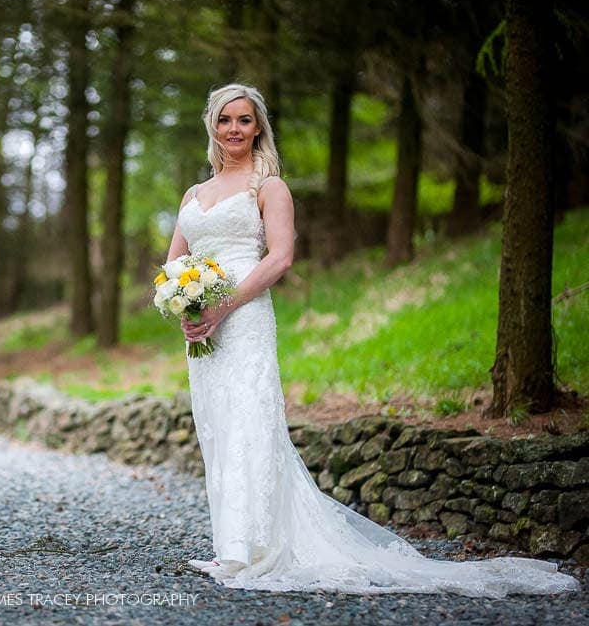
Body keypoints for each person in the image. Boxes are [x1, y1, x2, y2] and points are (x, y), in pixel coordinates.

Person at [165, 82, 580, 596]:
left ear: (259, 128)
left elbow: (280, 257)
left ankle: (256, 547)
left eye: (245, 120)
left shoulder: (267, 186)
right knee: (217, 425)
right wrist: (187, 306)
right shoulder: (193, 195)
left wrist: (225, 304)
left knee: (250, 421)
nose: (234, 129)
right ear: (212, 124)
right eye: (225, 119)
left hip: (245, 317)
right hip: (203, 328)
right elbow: (173, 263)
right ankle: (230, 545)